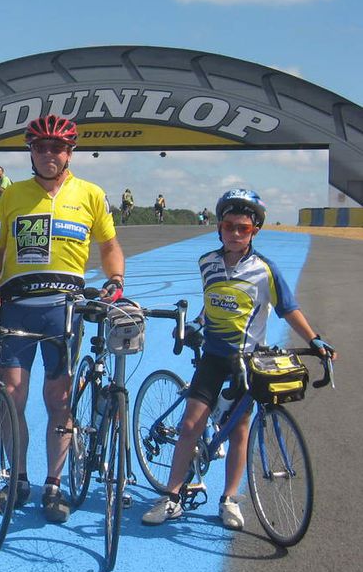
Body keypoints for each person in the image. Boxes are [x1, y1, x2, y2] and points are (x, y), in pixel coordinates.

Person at [142, 189, 335, 530]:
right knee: (189, 426)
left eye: (242, 228)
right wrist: (197, 325)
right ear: (219, 227)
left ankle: (229, 499)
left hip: (246, 362)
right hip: (213, 357)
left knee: (238, 431)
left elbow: (288, 309)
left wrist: (315, 339)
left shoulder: (265, 270)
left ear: (254, 231)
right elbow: (211, 301)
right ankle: (172, 497)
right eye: (228, 226)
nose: (234, 233)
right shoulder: (207, 262)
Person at [0, 114, 125, 523]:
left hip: (65, 308)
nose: (48, 154)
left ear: (69, 152)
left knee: (59, 401)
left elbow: (110, 246)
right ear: (31, 152)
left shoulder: (91, 194)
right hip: (18, 303)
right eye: (40, 147)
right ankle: (18, 480)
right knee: (11, 396)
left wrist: (115, 279)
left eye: (56, 148)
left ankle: (54, 485)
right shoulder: (13, 195)